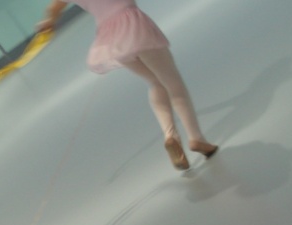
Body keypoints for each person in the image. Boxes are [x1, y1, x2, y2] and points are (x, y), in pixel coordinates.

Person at [37, 0, 218, 170]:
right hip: (134, 25)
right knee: (173, 84)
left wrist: (49, 22)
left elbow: (55, 8)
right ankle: (196, 138)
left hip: (111, 39)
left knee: (155, 82)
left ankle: (170, 135)